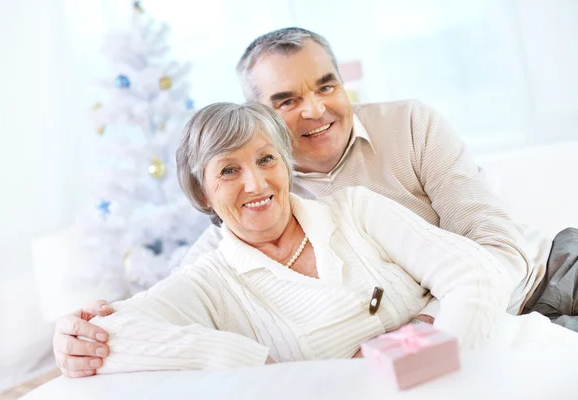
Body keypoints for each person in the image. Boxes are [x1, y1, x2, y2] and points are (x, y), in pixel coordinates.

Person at [54, 27, 577, 377]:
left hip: (543, 271)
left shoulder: (409, 125)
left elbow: (496, 250)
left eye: (327, 86)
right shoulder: (257, 208)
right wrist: (76, 339)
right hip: (482, 324)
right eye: (286, 100)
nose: (316, 109)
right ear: (256, 117)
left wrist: (422, 331)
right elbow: (186, 294)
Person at [70, 102, 513, 374]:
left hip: (477, 371)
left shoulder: (356, 209)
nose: (257, 183)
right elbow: (111, 337)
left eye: (267, 159)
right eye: (229, 170)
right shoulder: (208, 280)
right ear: (201, 191)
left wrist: (434, 360)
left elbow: (477, 274)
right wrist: (257, 364)